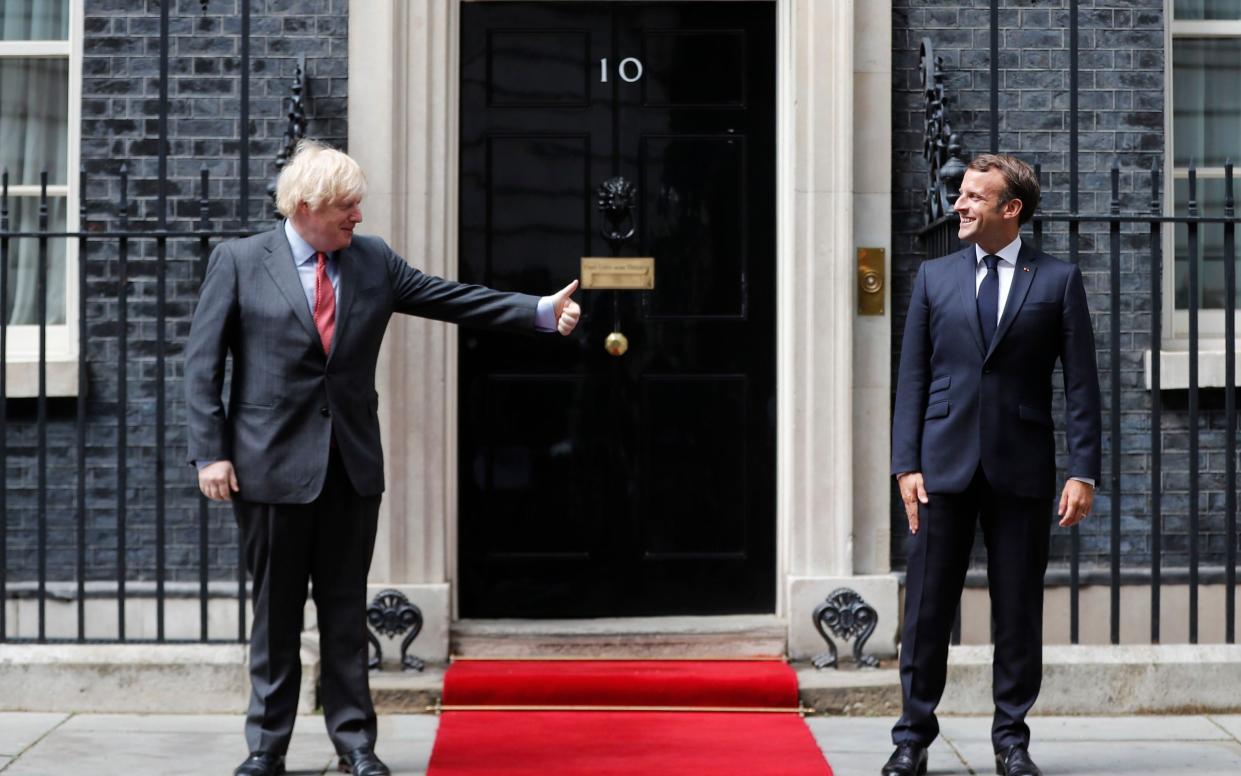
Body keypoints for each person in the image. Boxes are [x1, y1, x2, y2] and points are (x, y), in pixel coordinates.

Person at [185, 140, 581, 776]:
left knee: (346, 612)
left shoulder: (371, 262)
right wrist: (211, 454)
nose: (357, 218)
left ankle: (356, 746)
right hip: (268, 468)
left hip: (349, 467)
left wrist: (536, 312)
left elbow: (449, 296)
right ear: (306, 206)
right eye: (347, 206)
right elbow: (201, 367)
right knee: (275, 615)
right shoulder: (238, 261)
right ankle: (266, 747)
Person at [884, 154, 1101, 776]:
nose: (960, 204)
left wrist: (1083, 471)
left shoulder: (1057, 280)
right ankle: (911, 738)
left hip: (1022, 467)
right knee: (926, 608)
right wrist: (906, 465)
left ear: (1012, 209)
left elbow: (1082, 385)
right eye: (961, 193)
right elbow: (913, 381)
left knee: (1017, 610)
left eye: (976, 196)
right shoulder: (934, 278)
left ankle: (1012, 741)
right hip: (940, 467)